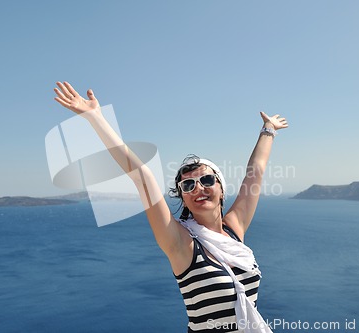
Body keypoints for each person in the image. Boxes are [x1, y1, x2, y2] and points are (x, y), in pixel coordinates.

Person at [54, 81, 288, 333]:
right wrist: (95, 117)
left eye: (207, 180)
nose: (198, 188)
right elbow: (142, 177)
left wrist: (268, 129)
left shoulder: (234, 229)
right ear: (183, 197)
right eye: (188, 186)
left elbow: (255, 173)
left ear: (221, 190)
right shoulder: (181, 243)